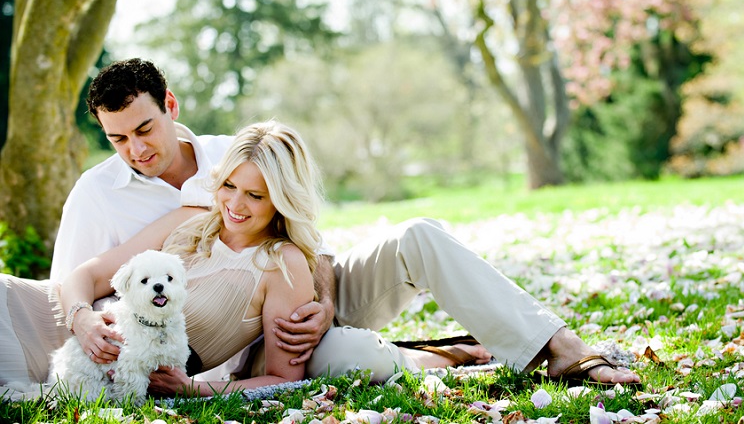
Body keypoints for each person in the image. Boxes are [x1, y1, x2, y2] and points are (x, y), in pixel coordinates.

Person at [50, 58, 640, 387]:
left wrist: (324, 303)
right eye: (117, 138)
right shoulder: (99, 195)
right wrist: (88, 326)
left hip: (299, 294)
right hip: (226, 341)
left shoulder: (236, 154)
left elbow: (311, 245)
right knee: (351, 363)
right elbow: (82, 281)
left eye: (144, 130)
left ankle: (561, 347)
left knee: (420, 238)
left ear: (170, 107)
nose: (135, 150)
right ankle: (446, 355)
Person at [2, 120, 491, 397]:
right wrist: (83, 319)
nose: (234, 205)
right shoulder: (191, 220)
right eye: (229, 186)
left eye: (255, 196)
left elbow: (283, 378)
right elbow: (85, 276)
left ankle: (442, 354)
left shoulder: (282, 265)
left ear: (281, 199)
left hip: (104, 374)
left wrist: (193, 391)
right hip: (55, 322)